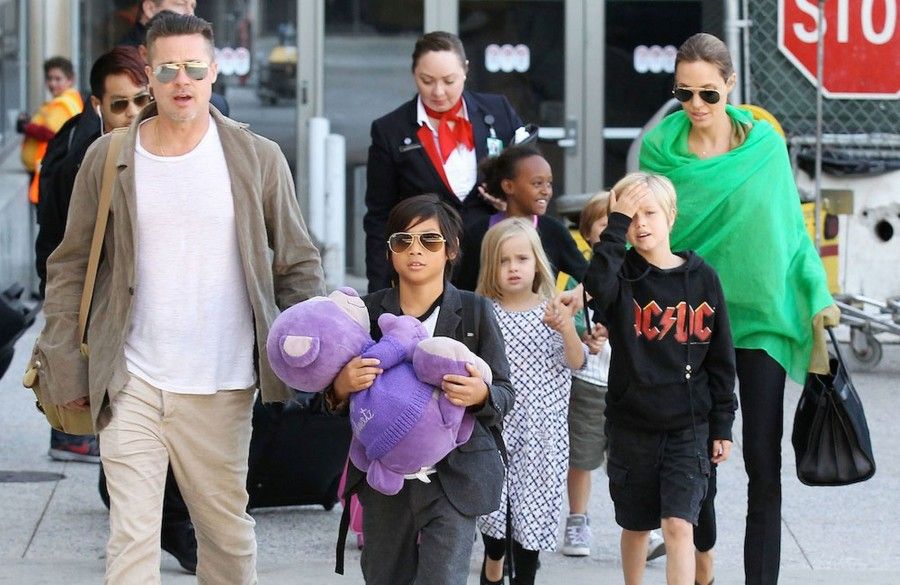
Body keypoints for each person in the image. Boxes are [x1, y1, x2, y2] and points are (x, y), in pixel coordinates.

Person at [38, 14, 324, 583]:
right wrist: (63, 350)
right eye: (168, 68)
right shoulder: (109, 157)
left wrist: (311, 352)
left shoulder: (256, 157)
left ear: (214, 72)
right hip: (132, 379)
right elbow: (70, 264)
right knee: (131, 540)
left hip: (221, 386)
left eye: (194, 67)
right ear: (150, 72)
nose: (182, 80)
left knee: (227, 541)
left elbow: (298, 262)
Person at [639, 33, 836, 585]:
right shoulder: (660, 150)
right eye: (684, 93)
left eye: (709, 94)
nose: (696, 107)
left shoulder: (765, 144)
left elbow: (788, 230)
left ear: (731, 86)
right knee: (696, 461)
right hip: (689, 322)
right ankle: (703, 565)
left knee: (762, 466)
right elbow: (648, 235)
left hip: (761, 321)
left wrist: (814, 293)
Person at [34, 45, 199, 574]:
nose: (131, 115)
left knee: (158, 430)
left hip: (171, 320)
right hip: (106, 323)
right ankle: (169, 524)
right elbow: (59, 255)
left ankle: (150, 505)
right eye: (119, 105)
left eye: (140, 102)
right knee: (132, 428)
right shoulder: (77, 157)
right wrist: (64, 341)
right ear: (95, 106)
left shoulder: (174, 147)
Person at [328, 193, 514, 585]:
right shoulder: (366, 313)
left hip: (456, 476)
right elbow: (321, 390)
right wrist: (340, 388)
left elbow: (503, 391)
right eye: (403, 241)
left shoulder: (475, 311)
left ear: (451, 250)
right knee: (384, 576)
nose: (416, 251)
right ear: (390, 252)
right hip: (383, 478)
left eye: (430, 241)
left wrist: (480, 394)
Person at [583, 172, 736, 585]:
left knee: (678, 525)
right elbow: (595, 285)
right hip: (632, 424)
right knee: (635, 525)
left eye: (649, 213)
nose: (641, 224)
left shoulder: (704, 279)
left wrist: (723, 424)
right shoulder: (620, 277)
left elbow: (721, 360)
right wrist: (614, 226)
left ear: (671, 215)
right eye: (631, 217)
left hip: (688, 425)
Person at [364, 30, 524, 293]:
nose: (438, 92)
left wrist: (511, 199)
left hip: (494, 263)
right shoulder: (390, 130)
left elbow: (528, 175)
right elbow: (379, 217)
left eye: (449, 81)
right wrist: (379, 291)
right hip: (424, 269)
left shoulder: (498, 112)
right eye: (426, 80)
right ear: (414, 73)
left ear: (466, 71)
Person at [476, 217, 586, 585]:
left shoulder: (554, 310)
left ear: (536, 262)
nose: (513, 268)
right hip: (495, 430)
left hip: (543, 435)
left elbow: (576, 362)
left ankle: (523, 575)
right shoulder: (483, 312)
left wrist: (568, 327)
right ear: (492, 266)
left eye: (521, 259)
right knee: (494, 518)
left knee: (532, 524)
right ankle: (493, 560)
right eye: (504, 260)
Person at [560, 192, 667, 563]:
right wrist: (583, 333)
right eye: (607, 224)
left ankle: (645, 529)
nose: (619, 229)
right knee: (583, 457)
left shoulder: (642, 272)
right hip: (590, 381)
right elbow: (571, 319)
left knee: (635, 462)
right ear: (589, 234)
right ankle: (577, 518)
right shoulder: (581, 277)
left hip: (629, 382)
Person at [454, 144, 588, 291]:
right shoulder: (479, 232)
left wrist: (568, 304)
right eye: (537, 183)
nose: (546, 191)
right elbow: (461, 290)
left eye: (549, 184)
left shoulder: (554, 231)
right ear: (508, 186)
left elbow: (591, 281)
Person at [119, 0, 230, 116]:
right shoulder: (122, 62)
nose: (189, 13)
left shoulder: (217, 107)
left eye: (194, 67)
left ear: (213, 71)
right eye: (180, 4)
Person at [18, 56, 84, 205]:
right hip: (49, 171)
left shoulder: (62, 103)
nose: (52, 83)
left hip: (49, 173)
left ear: (70, 80)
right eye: (49, 78)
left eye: (58, 79)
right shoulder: (70, 99)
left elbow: (50, 133)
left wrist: (26, 127)